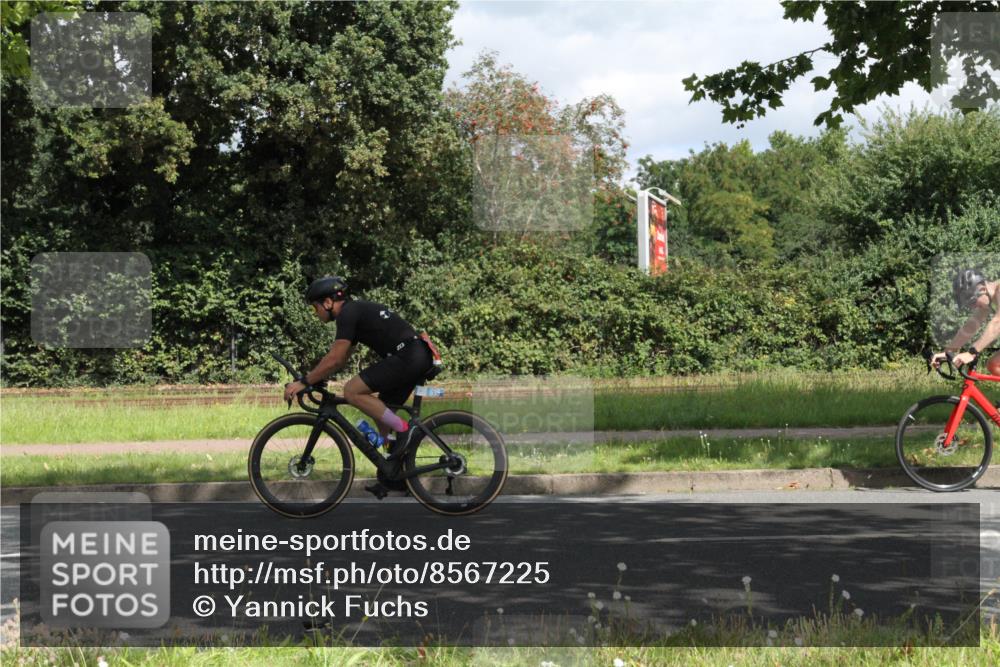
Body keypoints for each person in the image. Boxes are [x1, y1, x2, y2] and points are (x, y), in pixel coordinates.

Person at [283, 276, 435, 493]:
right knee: (382, 413)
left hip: (409, 356)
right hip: (414, 355)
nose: (315, 313)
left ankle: (402, 430)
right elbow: (340, 359)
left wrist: (304, 381)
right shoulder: (354, 312)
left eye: (315, 307)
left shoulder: (348, 313)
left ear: (328, 302)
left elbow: (335, 358)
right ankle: (394, 472)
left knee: (352, 391)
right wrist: (317, 377)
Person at [931, 268, 1000, 375]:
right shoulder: (986, 299)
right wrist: (948, 352)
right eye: (969, 305)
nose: (973, 307)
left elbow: (998, 322)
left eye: (972, 302)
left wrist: (972, 352)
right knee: (994, 365)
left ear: (982, 289)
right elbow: (970, 327)